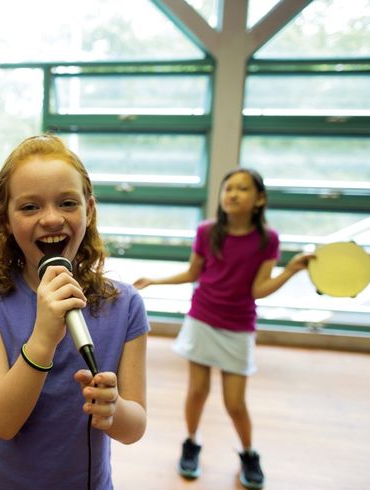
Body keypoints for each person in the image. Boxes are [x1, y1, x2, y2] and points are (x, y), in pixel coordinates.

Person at [0, 134, 149, 490]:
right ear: (4, 218)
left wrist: (114, 410)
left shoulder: (125, 305)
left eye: (66, 203)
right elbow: (2, 422)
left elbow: (135, 426)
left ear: (88, 210)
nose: (51, 219)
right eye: (30, 207)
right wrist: (43, 336)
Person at [133, 168, 314, 490]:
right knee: (197, 392)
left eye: (242, 189)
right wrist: (154, 280)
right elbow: (193, 273)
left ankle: (248, 453)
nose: (232, 194)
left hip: (238, 327)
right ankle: (191, 444)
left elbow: (258, 289)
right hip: (202, 319)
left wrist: (292, 271)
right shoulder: (207, 231)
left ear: (259, 199)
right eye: (228, 187)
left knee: (235, 403)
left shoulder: (267, 239)